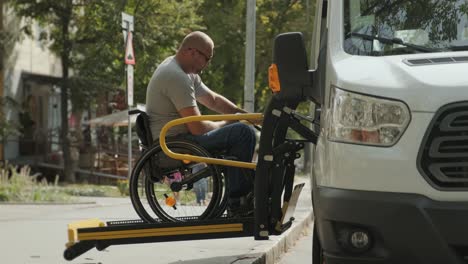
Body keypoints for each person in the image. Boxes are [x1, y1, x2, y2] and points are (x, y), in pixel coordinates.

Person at [145, 31, 256, 217]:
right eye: (207, 58)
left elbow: (213, 100)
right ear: (192, 52)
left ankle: (238, 196)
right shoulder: (175, 76)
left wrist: (243, 114)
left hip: (178, 139)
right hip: (173, 144)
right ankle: (238, 201)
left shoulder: (183, 71)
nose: (207, 65)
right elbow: (197, 128)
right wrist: (228, 122)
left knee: (241, 128)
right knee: (242, 133)